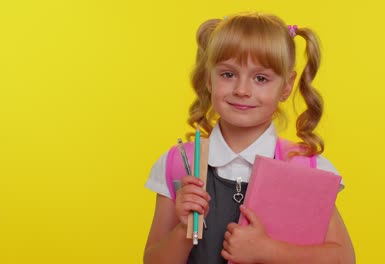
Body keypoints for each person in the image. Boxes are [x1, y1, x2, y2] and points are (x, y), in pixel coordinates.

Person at [143, 12, 355, 264]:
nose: (242, 90)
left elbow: (342, 258)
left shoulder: (305, 166)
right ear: (208, 77)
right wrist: (185, 231)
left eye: (261, 78)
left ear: (287, 86)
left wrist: (267, 250)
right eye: (228, 74)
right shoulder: (178, 164)